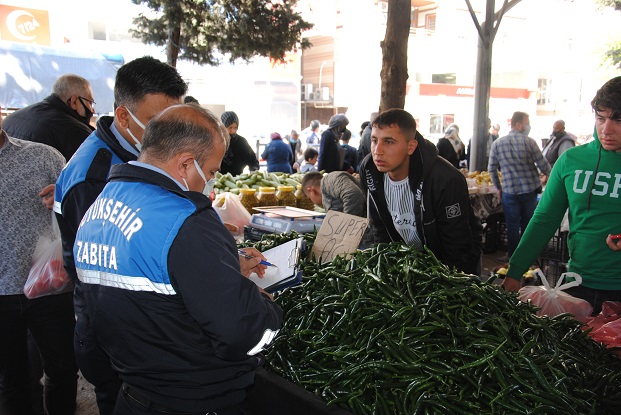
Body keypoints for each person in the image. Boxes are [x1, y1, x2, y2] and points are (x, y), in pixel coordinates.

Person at [73, 104, 282, 415]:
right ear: (186, 164)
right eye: (211, 171)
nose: (211, 181)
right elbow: (243, 332)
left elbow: (90, 321)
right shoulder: (186, 220)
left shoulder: (99, 207)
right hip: (194, 401)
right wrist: (265, 303)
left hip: (132, 397)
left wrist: (219, 264)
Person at [54, 56, 188, 415]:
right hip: (113, 333)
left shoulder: (135, 154)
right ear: (125, 117)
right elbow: (107, 268)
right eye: (158, 123)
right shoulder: (96, 174)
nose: (169, 136)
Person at [503, 77, 621, 315]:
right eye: (601, 118)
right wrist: (515, 271)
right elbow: (544, 218)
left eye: (618, 120)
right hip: (577, 284)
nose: (606, 129)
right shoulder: (571, 161)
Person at [0, 117, 78, 415]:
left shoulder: (43, 155)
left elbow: (78, 204)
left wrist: (63, 198)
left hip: (48, 286)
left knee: (63, 370)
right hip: (1, 294)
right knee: (12, 378)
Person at [360, 109, 482, 276]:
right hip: (409, 265)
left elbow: (457, 245)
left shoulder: (445, 179)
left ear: (411, 146)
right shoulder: (369, 169)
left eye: (388, 142)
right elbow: (380, 228)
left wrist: (443, 284)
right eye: (374, 140)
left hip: (451, 267)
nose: (377, 150)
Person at [488, 111, 551, 261]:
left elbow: (491, 169)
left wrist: (499, 187)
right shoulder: (529, 142)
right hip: (529, 191)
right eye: (526, 122)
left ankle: (512, 256)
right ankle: (527, 257)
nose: (528, 126)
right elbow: (544, 165)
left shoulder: (497, 143)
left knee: (512, 225)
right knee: (528, 225)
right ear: (518, 124)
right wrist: (551, 177)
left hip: (509, 192)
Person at [3, 73, 95, 161]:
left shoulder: (10, 118)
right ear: (74, 101)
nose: (92, 110)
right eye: (90, 103)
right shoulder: (76, 131)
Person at [219, 111, 260, 176]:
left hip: (237, 181)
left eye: (235, 127)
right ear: (223, 127)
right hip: (218, 181)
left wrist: (253, 171)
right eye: (230, 127)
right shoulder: (217, 142)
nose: (233, 131)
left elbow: (253, 160)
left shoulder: (241, 142)